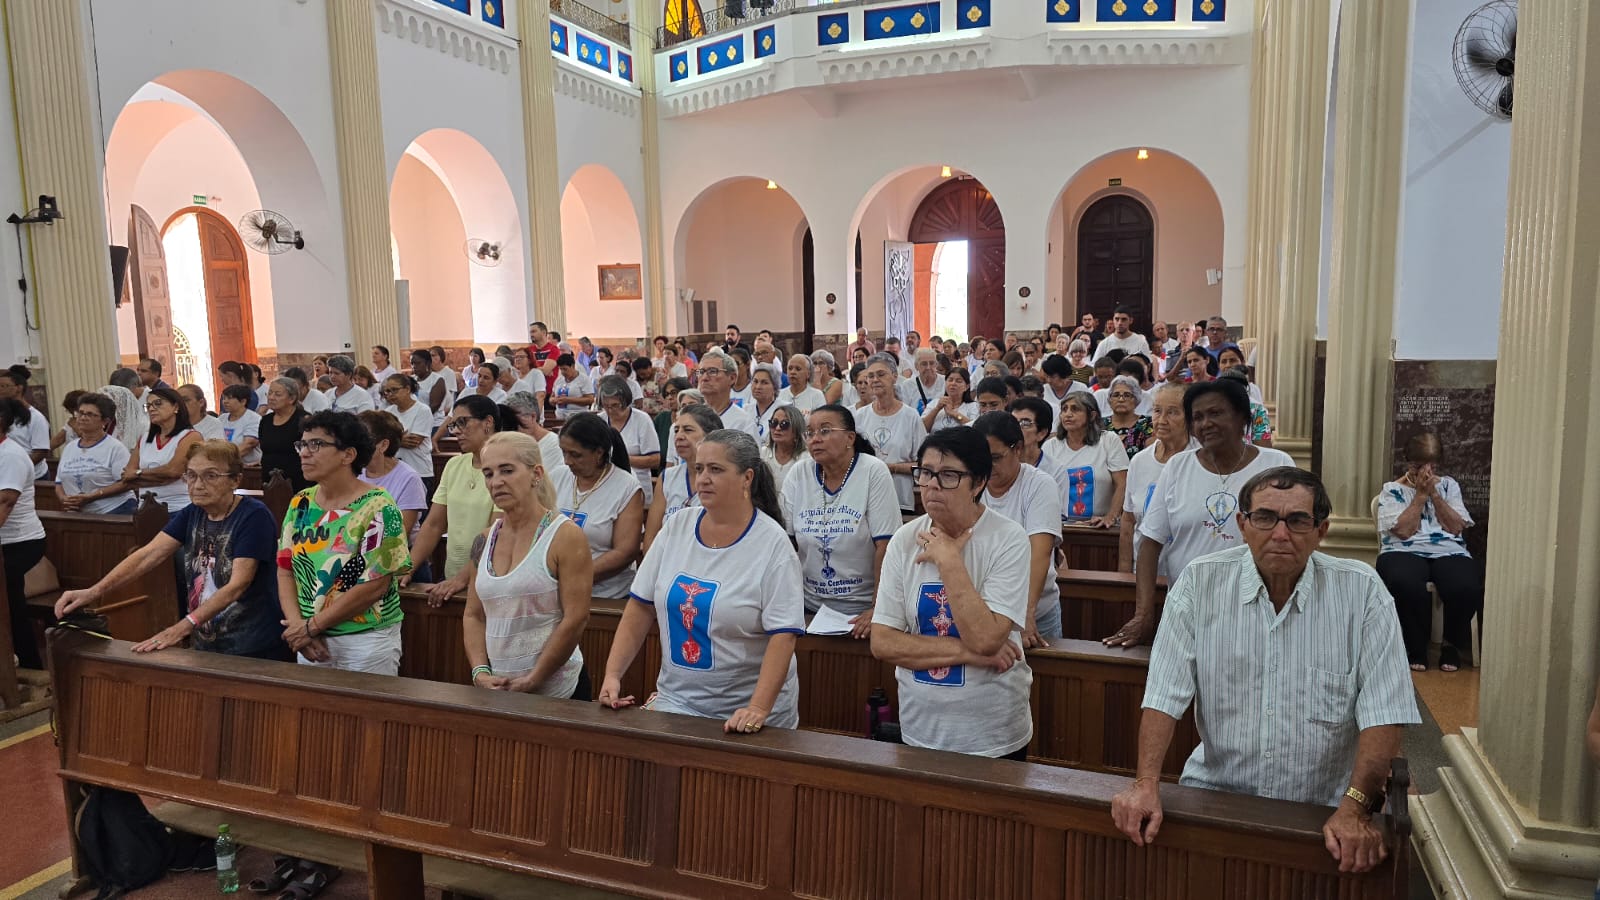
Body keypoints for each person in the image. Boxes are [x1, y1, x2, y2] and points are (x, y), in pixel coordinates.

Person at [1111, 467, 1419, 875]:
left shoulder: (1362, 592)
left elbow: (1385, 712)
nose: (1280, 533)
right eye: (1265, 517)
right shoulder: (1199, 583)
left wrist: (1355, 809)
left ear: (1320, 530)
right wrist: (1145, 784)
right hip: (1218, 796)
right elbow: (1164, 695)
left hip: (1323, 811)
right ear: (1242, 524)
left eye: (1297, 521)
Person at [600, 430, 803, 733]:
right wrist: (613, 674)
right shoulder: (678, 526)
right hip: (677, 702)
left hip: (747, 712)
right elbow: (641, 607)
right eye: (699, 468)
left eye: (716, 469)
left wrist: (757, 708)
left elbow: (783, 636)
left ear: (747, 478)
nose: (703, 478)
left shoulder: (772, 544)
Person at [870, 426, 1032, 758]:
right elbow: (883, 642)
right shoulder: (904, 540)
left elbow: (987, 637)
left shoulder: (1008, 538)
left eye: (948, 476)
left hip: (992, 736)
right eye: (926, 473)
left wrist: (948, 561)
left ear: (978, 482)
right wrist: (970, 655)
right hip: (920, 727)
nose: (930, 486)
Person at [56, 440, 291, 659]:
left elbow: (237, 584)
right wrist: (93, 592)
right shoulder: (193, 513)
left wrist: (182, 627)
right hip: (207, 640)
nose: (198, 485)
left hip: (254, 645)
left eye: (210, 476)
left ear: (235, 480)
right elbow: (149, 554)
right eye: (191, 475)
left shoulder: (253, 516)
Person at [1106, 379, 1296, 647]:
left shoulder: (1276, 465)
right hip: (1189, 609)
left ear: (1242, 416)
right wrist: (1144, 614)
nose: (1206, 423)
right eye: (1198, 417)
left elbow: (1294, 535)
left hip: (1257, 609)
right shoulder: (1178, 467)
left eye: (1216, 413)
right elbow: (1150, 542)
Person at [462, 431, 595, 699]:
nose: (496, 482)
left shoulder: (565, 535)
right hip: (501, 689)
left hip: (561, 692)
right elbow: (473, 614)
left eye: (507, 470)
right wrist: (480, 672)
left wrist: (535, 678)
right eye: (489, 474)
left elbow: (576, 617)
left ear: (536, 474)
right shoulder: (484, 539)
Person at [277, 411, 412, 674]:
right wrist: (298, 628)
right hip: (309, 638)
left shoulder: (378, 505)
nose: (305, 453)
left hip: (364, 639)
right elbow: (285, 568)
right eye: (302, 444)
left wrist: (311, 627)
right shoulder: (300, 502)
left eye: (316, 444)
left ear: (348, 455)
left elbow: (375, 584)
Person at [1376, 433, 1482, 672]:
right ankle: (1416, 647)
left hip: (1447, 549)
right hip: (1403, 549)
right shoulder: (1392, 490)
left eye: (1431, 466)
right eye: (1418, 465)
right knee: (1404, 582)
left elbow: (1455, 527)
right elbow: (1403, 531)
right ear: (1407, 462)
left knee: (1465, 585)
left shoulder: (1448, 486)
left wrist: (1434, 494)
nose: (1425, 471)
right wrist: (1420, 497)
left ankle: (1451, 645)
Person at [972, 412, 1063, 646]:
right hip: (984, 613)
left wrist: (1026, 613)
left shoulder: (1039, 484)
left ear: (1018, 449)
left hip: (1034, 613)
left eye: (995, 457)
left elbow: (1040, 554)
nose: (986, 466)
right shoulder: (972, 484)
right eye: (980, 457)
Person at [406, 395, 506, 603]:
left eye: (463, 422)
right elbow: (433, 525)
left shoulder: (507, 469)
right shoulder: (454, 466)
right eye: (453, 425)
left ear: (488, 422)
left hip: (491, 580)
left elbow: (496, 533)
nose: (456, 431)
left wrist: (463, 578)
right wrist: (408, 569)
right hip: (453, 576)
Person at [549, 412, 644, 600]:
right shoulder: (557, 476)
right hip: (553, 589)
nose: (567, 461)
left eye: (576, 455)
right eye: (564, 452)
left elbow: (625, 552)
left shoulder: (626, 487)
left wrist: (573, 577)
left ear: (599, 453)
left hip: (605, 594)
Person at [1119, 383, 1192, 576]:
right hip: (1144, 573)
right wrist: (1125, 571)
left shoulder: (1201, 459)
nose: (1162, 420)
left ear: (1190, 417)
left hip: (1187, 576)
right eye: (1157, 411)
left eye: (1173, 412)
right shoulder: (1140, 461)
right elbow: (1128, 520)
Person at [0, 398, 47, 669]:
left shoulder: (11, 456)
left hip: (20, 543)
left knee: (10, 605)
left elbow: (5, 503)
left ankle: (28, 665)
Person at [643, 404, 722, 554]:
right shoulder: (668, 477)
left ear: (710, 435)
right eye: (676, 430)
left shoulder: (724, 479)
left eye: (688, 430)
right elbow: (651, 537)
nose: (678, 436)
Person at [855, 353, 927, 512]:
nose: (875, 380)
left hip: (899, 497)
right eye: (871, 376)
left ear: (894, 377)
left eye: (881, 374)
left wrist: (890, 467)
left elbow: (923, 464)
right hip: (865, 497)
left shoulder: (910, 416)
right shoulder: (860, 415)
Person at [1043, 392, 1127, 528]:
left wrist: (1110, 517)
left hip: (1100, 526)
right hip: (1059, 526)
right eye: (1064, 409)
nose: (1068, 414)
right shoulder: (1051, 446)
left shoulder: (1109, 440)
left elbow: (1122, 484)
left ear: (1092, 415)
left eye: (1075, 409)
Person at [119, 387, 201, 514]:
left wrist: (139, 473)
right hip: (146, 509)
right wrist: (162, 477)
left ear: (176, 407)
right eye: (148, 405)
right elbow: (128, 477)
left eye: (158, 403)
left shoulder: (190, 436)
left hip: (179, 507)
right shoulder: (145, 438)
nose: (151, 409)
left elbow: (173, 471)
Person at [55, 393, 132, 514]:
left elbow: (125, 483)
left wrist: (92, 496)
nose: (83, 417)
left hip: (113, 510)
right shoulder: (70, 448)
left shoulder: (115, 448)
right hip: (78, 513)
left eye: (90, 414)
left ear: (105, 421)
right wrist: (64, 499)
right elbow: (59, 481)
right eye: (80, 413)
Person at [358, 410, 427, 535]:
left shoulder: (408, 478)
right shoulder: (353, 472)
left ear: (383, 445)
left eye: (361, 441)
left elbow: (400, 533)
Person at [596, 375, 661, 503]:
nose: (610, 410)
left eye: (615, 405)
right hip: (605, 486)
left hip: (637, 486)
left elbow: (655, 460)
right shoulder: (599, 421)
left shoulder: (642, 420)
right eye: (606, 406)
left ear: (625, 401)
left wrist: (619, 458)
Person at [376, 373, 434, 482]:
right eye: (387, 391)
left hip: (419, 469)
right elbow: (379, 440)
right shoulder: (388, 412)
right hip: (393, 470)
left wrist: (390, 441)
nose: (390, 394)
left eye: (394, 390)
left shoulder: (422, 410)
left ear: (407, 389)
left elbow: (413, 442)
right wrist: (400, 439)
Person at [258, 377, 310, 491]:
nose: (271, 397)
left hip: (297, 480)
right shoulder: (265, 420)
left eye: (277, 394)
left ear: (291, 398)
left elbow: (309, 452)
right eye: (270, 393)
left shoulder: (304, 419)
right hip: (268, 480)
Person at [694, 352, 758, 438]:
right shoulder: (689, 420)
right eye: (701, 372)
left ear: (732, 378)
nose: (704, 378)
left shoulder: (744, 423)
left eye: (712, 371)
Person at [0, 366, 48, 479]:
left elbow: (40, 452)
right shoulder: (4, 414)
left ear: (19, 388)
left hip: (32, 475)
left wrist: (18, 468)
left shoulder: (36, 417)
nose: (0, 390)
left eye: (3, 386)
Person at [504, 391, 563, 473]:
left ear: (533, 416)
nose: (512, 422)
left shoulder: (555, 445)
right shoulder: (509, 442)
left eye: (516, 416)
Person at [760, 403, 808, 487]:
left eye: (784, 424)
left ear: (796, 429)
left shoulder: (806, 458)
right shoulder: (763, 453)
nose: (777, 428)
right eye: (773, 423)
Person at [1104, 375, 1153, 457]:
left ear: (1136, 399)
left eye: (1127, 395)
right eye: (1116, 395)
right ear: (1110, 400)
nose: (1121, 399)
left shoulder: (1148, 424)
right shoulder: (1100, 425)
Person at [218, 384, 263, 466]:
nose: (225, 401)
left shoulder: (254, 418)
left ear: (243, 401)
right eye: (224, 398)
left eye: (230, 398)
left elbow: (248, 445)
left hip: (249, 467)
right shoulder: (221, 418)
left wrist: (225, 461)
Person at [923, 366, 977, 432]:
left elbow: (975, 429)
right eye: (950, 380)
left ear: (967, 386)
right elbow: (922, 428)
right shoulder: (934, 403)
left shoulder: (973, 406)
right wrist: (936, 409)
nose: (953, 383)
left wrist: (953, 414)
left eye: (958, 381)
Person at [897, 348, 945, 416]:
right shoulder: (907, 385)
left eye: (932, 363)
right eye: (924, 364)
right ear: (916, 366)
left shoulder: (946, 382)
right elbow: (904, 413)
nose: (928, 367)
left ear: (936, 365)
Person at [410, 348, 450, 429]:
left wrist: (415, 419)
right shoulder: (411, 380)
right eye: (412, 363)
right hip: (414, 422)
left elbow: (433, 407)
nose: (414, 366)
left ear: (427, 363)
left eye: (418, 363)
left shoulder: (437, 380)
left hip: (433, 424)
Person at [550, 353, 594, 421]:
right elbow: (552, 397)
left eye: (565, 369)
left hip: (579, 417)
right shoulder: (559, 379)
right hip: (560, 416)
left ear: (573, 366)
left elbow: (590, 400)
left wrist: (568, 400)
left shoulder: (584, 379)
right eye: (560, 369)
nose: (562, 372)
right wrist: (553, 400)